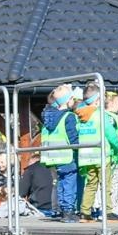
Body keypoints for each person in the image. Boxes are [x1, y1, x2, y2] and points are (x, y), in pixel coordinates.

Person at [76, 91, 118, 220]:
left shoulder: (81, 116)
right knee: (106, 184)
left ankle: (85, 212)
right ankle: (108, 211)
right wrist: (117, 147)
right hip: (102, 156)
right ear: (97, 100)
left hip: (87, 157)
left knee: (91, 184)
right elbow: (111, 134)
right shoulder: (101, 115)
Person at [38, 83, 82, 219]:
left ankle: (62, 209)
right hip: (67, 155)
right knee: (69, 183)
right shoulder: (68, 117)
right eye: (72, 98)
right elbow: (73, 137)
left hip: (53, 156)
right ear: (68, 101)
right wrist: (79, 149)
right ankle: (68, 211)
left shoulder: (48, 117)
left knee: (60, 183)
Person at [18, 149, 55, 214]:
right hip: (58, 208)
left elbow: (21, 193)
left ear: (32, 161)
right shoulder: (55, 168)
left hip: (39, 209)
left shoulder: (30, 170)